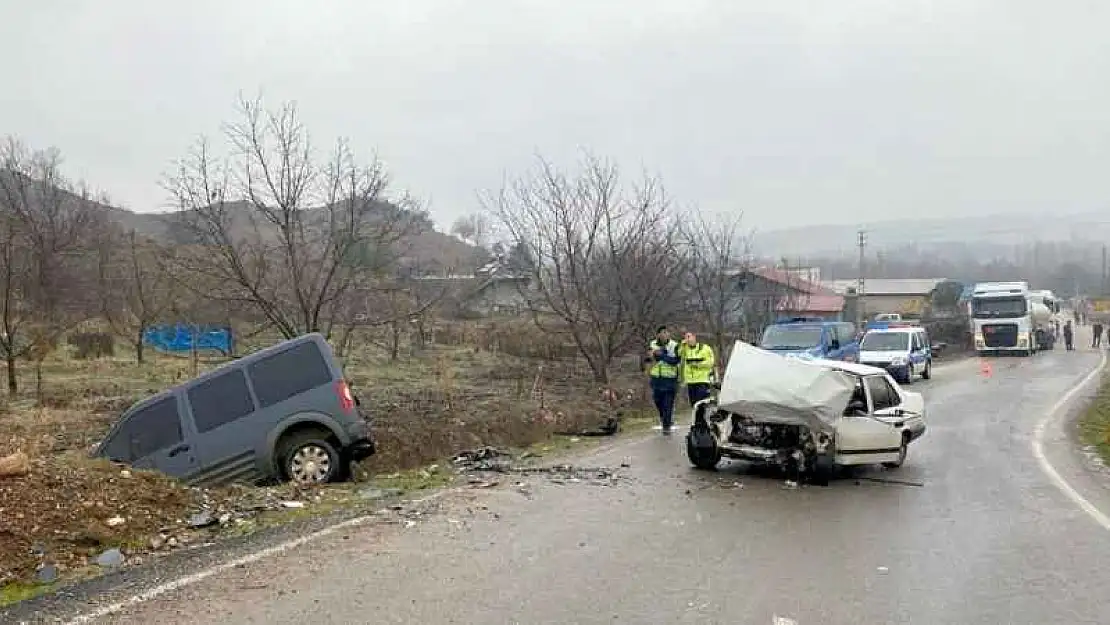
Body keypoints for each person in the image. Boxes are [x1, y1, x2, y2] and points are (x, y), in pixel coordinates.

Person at [645, 325, 680, 434]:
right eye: (663, 332)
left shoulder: (674, 345)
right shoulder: (653, 344)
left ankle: (666, 427)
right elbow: (649, 358)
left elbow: (675, 361)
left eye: (667, 332)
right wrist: (652, 357)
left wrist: (662, 356)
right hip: (656, 378)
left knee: (668, 403)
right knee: (658, 401)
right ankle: (664, 418)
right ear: (658, 335)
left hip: (669, 378)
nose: (665, 334)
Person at [678, 332, 716, 407]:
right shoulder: (685, 349)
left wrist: (698, 365)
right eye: (685, 338)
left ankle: (701, 418)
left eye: (689, 337)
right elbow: (678, 354)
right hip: (690, 381)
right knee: (694, 405)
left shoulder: (705, 348)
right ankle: (697, 418)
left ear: (694, 337)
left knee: (701, 404)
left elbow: (711, 362)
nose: (687, 339)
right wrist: (682, 344)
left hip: (702, 380)